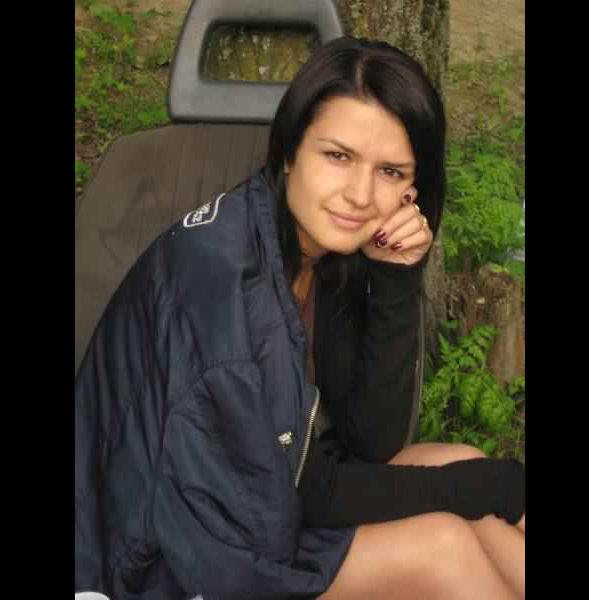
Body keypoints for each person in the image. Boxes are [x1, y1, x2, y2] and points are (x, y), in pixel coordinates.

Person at [75, 36, 525, 600]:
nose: (360, 194)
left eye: (390, 171)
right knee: (444, 544)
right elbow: (301, 490)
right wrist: (486, 488)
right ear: (290, 150)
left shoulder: (316, 251)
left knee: (462, 464)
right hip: (154, 554)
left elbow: (371, 442)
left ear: (413, 189)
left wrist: (395, 276)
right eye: (338, 156)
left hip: (256, 502)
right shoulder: (222, 284)